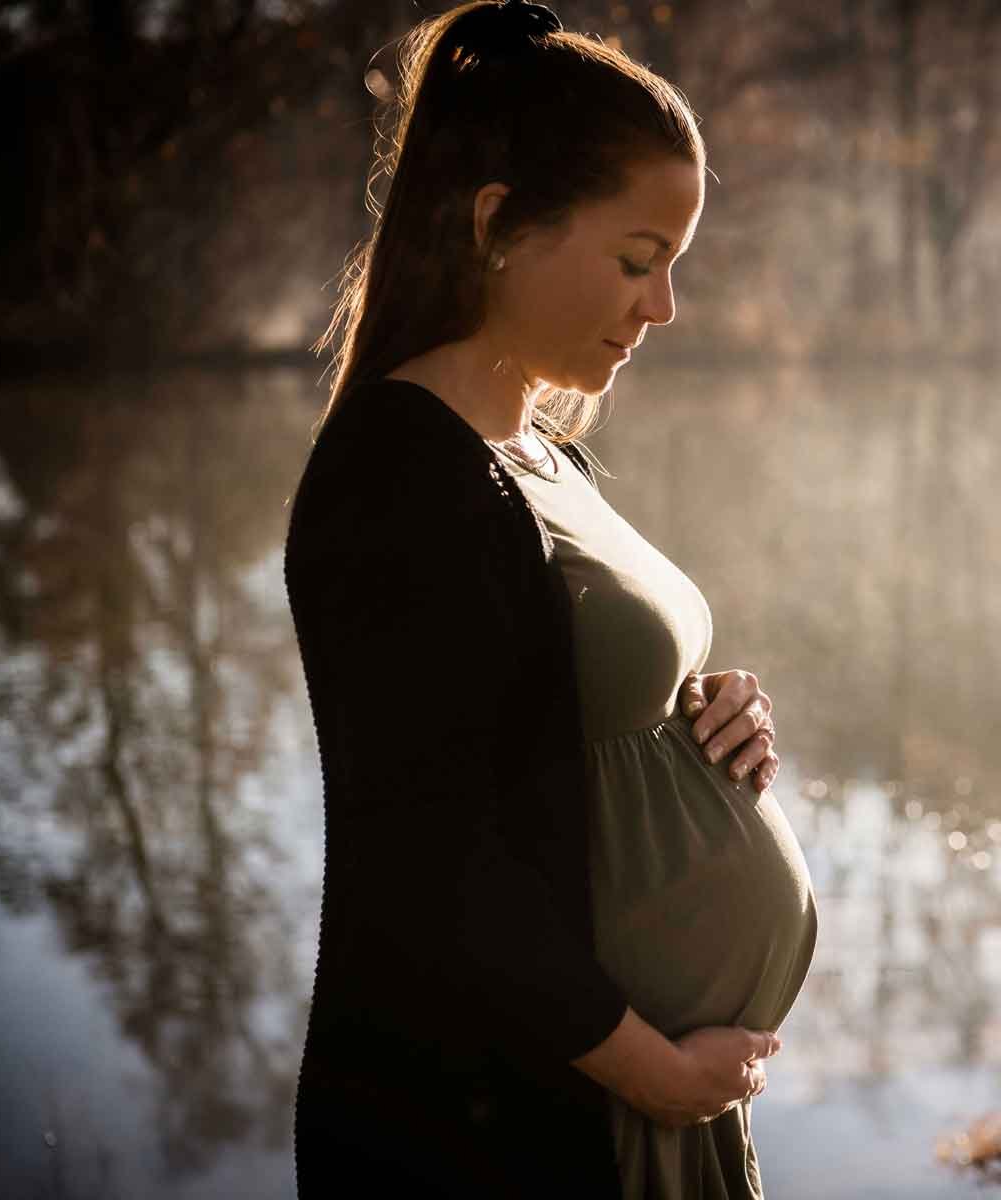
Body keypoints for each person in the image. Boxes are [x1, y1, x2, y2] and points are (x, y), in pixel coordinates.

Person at [281, 1, 818, 1194]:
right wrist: (649, 1073)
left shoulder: (537, 448)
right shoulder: (399, 478)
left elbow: (557, 714)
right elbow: (426, 861)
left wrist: (705, 719)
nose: (664, 306)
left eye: (675, 265)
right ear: (498, 226)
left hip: (625, 1107)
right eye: (638, 260)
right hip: (508, 1129)